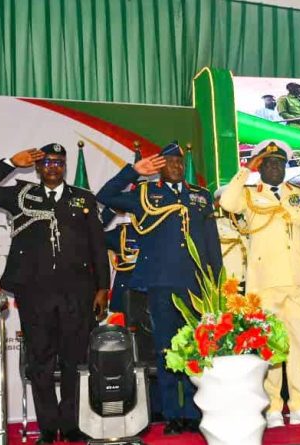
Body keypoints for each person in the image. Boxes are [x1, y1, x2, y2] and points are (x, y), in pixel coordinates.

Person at [0, 144, 109, 444]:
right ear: (37, 167)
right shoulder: (22, 196)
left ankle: (71, 425)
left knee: (75, 361)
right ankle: (48, 427)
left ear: (65, 167)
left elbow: (98, 247)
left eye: (59, 162)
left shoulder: (83, 199)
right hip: (35, 295)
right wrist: (9, 163)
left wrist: (103, 288)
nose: (53, 167)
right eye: (47, 162)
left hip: (78, 295)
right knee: (40, 363)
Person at [96, 142, 222, 435]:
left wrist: (215, 281)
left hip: (196, 285)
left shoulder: (200, 196)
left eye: (179, 162)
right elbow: (105, 196)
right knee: (166, 349)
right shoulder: (144, 194)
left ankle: (194, 412)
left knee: (196, 350)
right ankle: (172, 413)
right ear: (160, 168)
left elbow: (211, 242)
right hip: (161, 284)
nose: (176, 166)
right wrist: (133, 172)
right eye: (169, 163)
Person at [220, 139, 300, 428]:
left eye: (280, 163)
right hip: (265, 282)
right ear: (260, 166)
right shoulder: (249, 194)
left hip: (299, 281)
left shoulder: (297, 195)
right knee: (270, 347)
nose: (276, 167)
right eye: (269, 163)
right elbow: (226, 203)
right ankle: (272, 408)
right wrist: (245, 170)